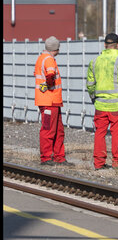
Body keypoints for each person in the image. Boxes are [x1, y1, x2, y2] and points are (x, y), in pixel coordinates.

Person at [86, 33, 118, 170]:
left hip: (100, 105)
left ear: (105, 45)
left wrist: (93, 98)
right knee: (117, 134)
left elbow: (90, 84)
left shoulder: (95, 62)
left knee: (99, 133)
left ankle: (98, 163)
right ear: (117, 45)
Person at [35, 36, 67, 164]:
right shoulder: (49, 59)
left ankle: (59, 157)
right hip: (49, 101)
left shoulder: (41, 58)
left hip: (52, 101)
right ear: (56, 49)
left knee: (59, 130)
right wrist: (49, 84)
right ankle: (46, 158)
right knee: (48, 130)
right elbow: (50, 74)